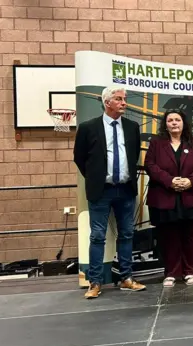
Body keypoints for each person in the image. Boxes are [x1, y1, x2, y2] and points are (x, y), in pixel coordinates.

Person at [73, 86, 146, 299]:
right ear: (107, 103)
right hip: (101, 191)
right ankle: (94, 282)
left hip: (125, 189)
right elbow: (79, 157)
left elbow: (133, 156)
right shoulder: (88, 127)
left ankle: (126, 278)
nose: (124, 102)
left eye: (124, 99)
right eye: (119, 99)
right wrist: (96, 177)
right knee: (97, 236)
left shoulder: (132, 127)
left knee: (127, 234)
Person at [144, 109, 193, 287]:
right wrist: (170, 181)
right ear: (165, 124)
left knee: (190, 237)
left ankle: (189, 272)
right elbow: (150, 165)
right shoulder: (156, 143)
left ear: (183, 123)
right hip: (165, 197)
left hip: (192, 196)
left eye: (177, 120)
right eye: (170, 120)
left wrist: (190, 181)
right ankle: (171, 273)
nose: (174, 123)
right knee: (168, 237)